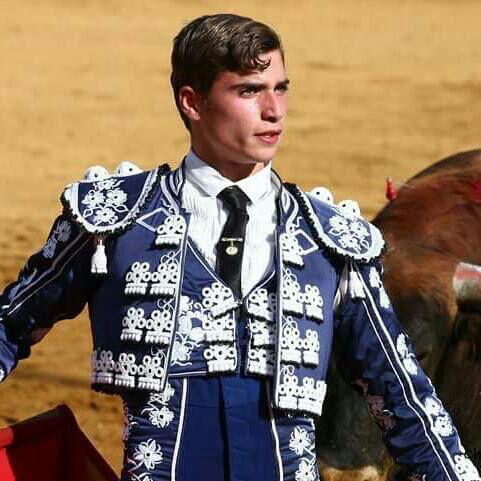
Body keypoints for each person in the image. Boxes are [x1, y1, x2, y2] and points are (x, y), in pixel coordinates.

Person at [0, 13, 479, 481]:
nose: (274, 110)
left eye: (281, 89)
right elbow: (10, 323)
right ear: (192, 102)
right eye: (249, 91)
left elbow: (404, 396)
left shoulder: (330, 241)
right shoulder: (114, 222)